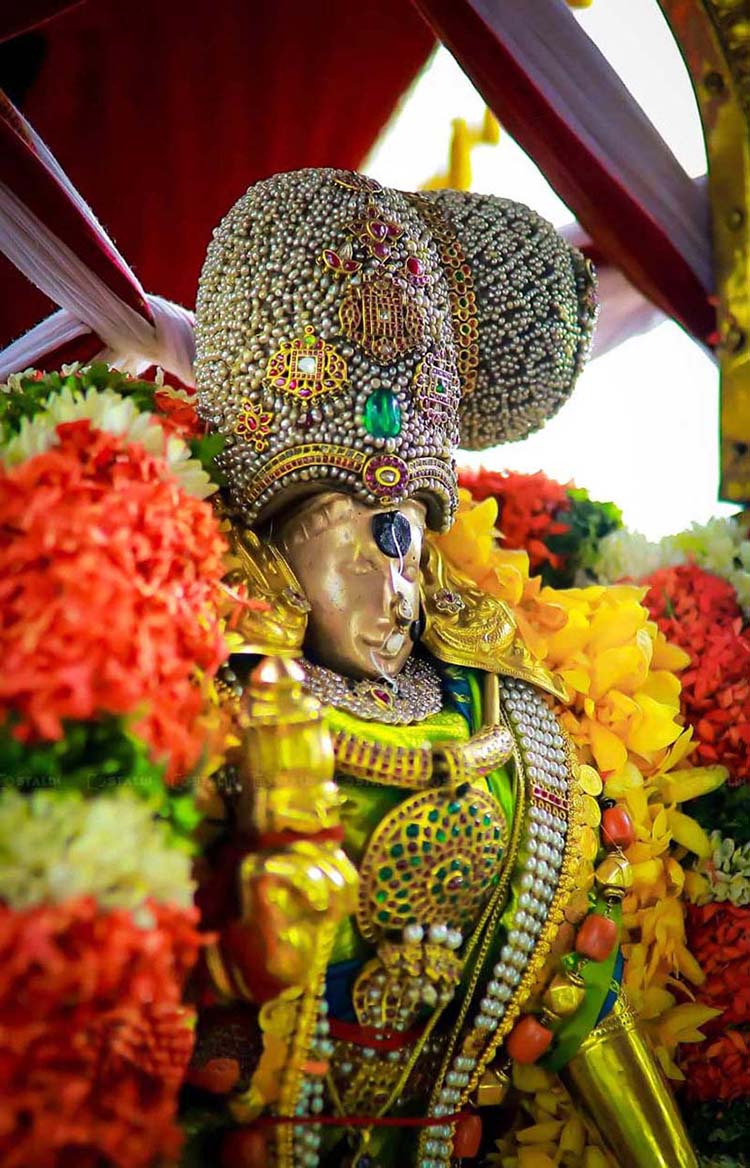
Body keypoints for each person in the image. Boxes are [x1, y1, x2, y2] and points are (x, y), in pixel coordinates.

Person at [187, 168, 695, 1168]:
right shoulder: (197, 687)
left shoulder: (508, 711)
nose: (398, 588)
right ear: (270, 546)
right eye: (354, 538)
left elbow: (579, 995)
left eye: (408, 537)